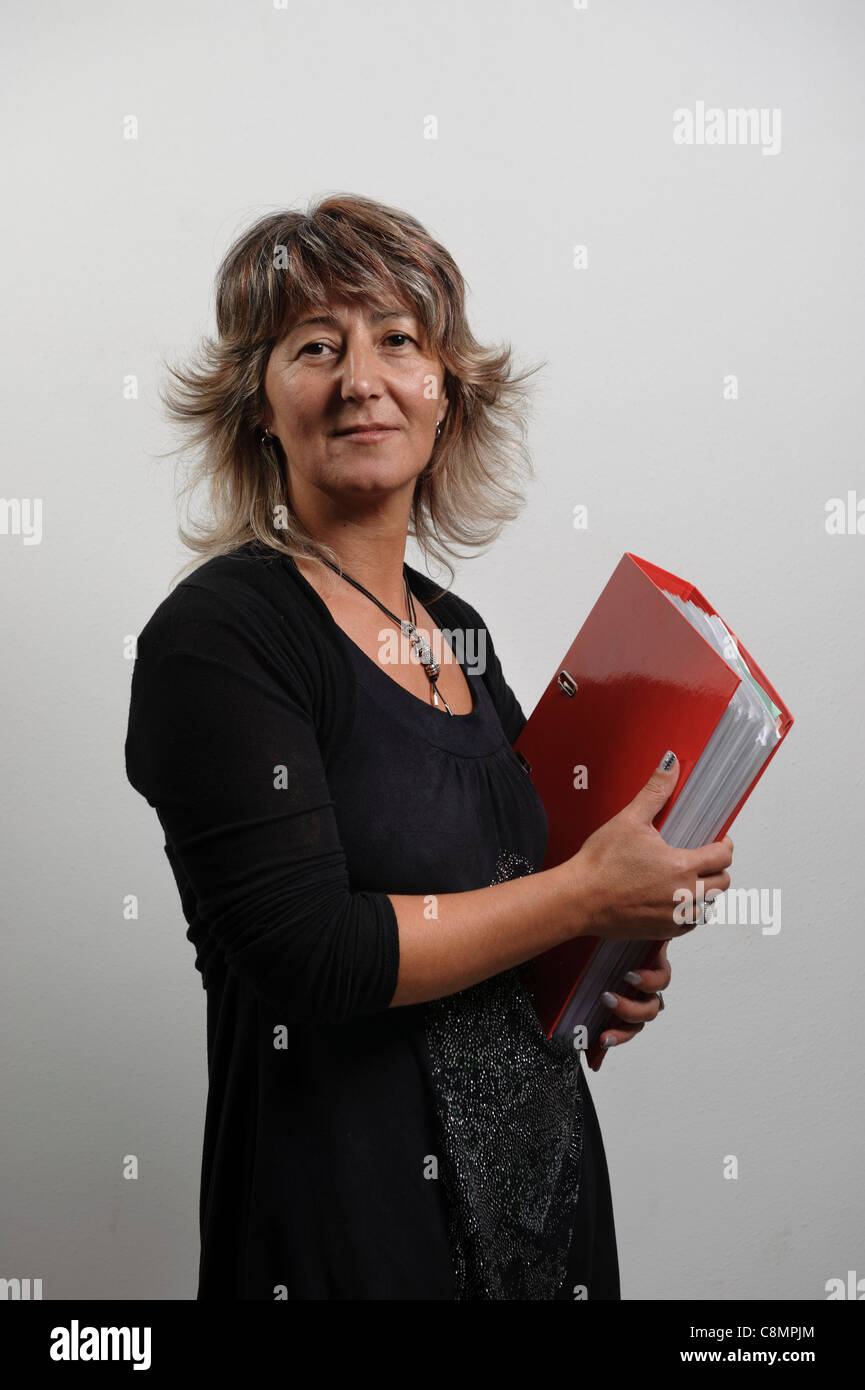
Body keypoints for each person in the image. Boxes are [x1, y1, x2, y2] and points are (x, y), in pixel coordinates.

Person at [124, 192, 733, 1300]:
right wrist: (584, 898)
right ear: (260, 404)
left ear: (445, 391)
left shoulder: (458, 630)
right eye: (316, 346)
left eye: (397, 340)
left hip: (539, 1215)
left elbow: (507, 892)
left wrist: (600, 959)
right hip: (348, 1236)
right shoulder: (220, 637)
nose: (362, 378)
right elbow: (315, 951)